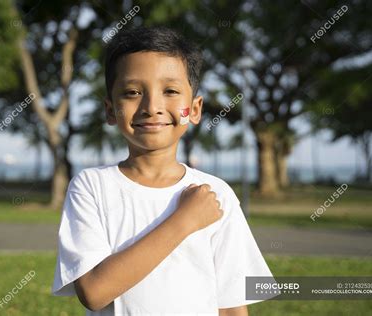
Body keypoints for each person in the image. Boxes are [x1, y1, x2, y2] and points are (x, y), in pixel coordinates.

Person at [52, 26, 275, 315]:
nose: (152, 106)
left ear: (194, 110)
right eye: (132, 92)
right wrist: (184, 220)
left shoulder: (216, 195)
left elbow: (231, 305)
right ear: (110, 110)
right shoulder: (92, 186)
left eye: (170, 91)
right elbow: (94, 292)